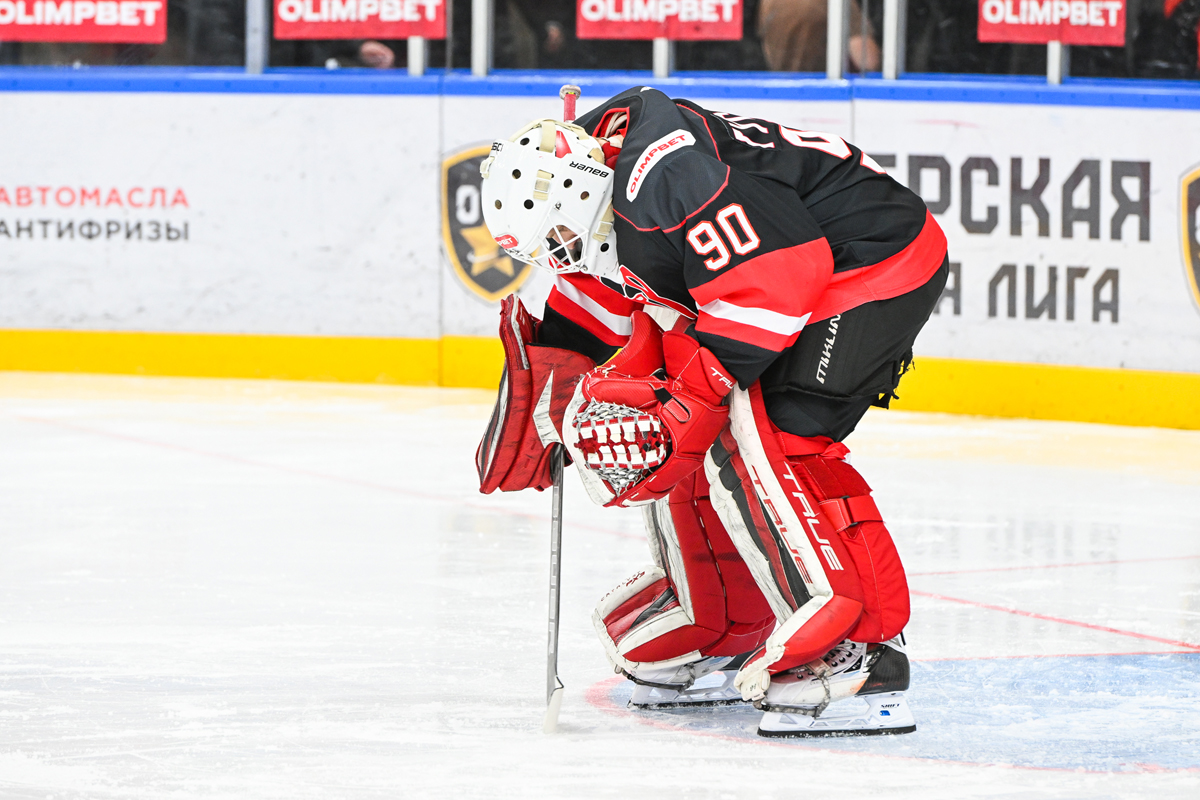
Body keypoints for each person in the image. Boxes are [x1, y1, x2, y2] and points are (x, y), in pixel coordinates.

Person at [475, 85, 947, 737]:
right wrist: (553, 389)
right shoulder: (590, 180)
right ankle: (722, 625)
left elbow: (775, 282)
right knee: (686, 427)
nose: (559, 250)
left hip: (871, 256)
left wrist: (694, 399)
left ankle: (862, 651)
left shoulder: (667, 174)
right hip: (795, 263)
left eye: (558, 235)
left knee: (775, 434)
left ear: (577, 193)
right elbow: (599, 309)